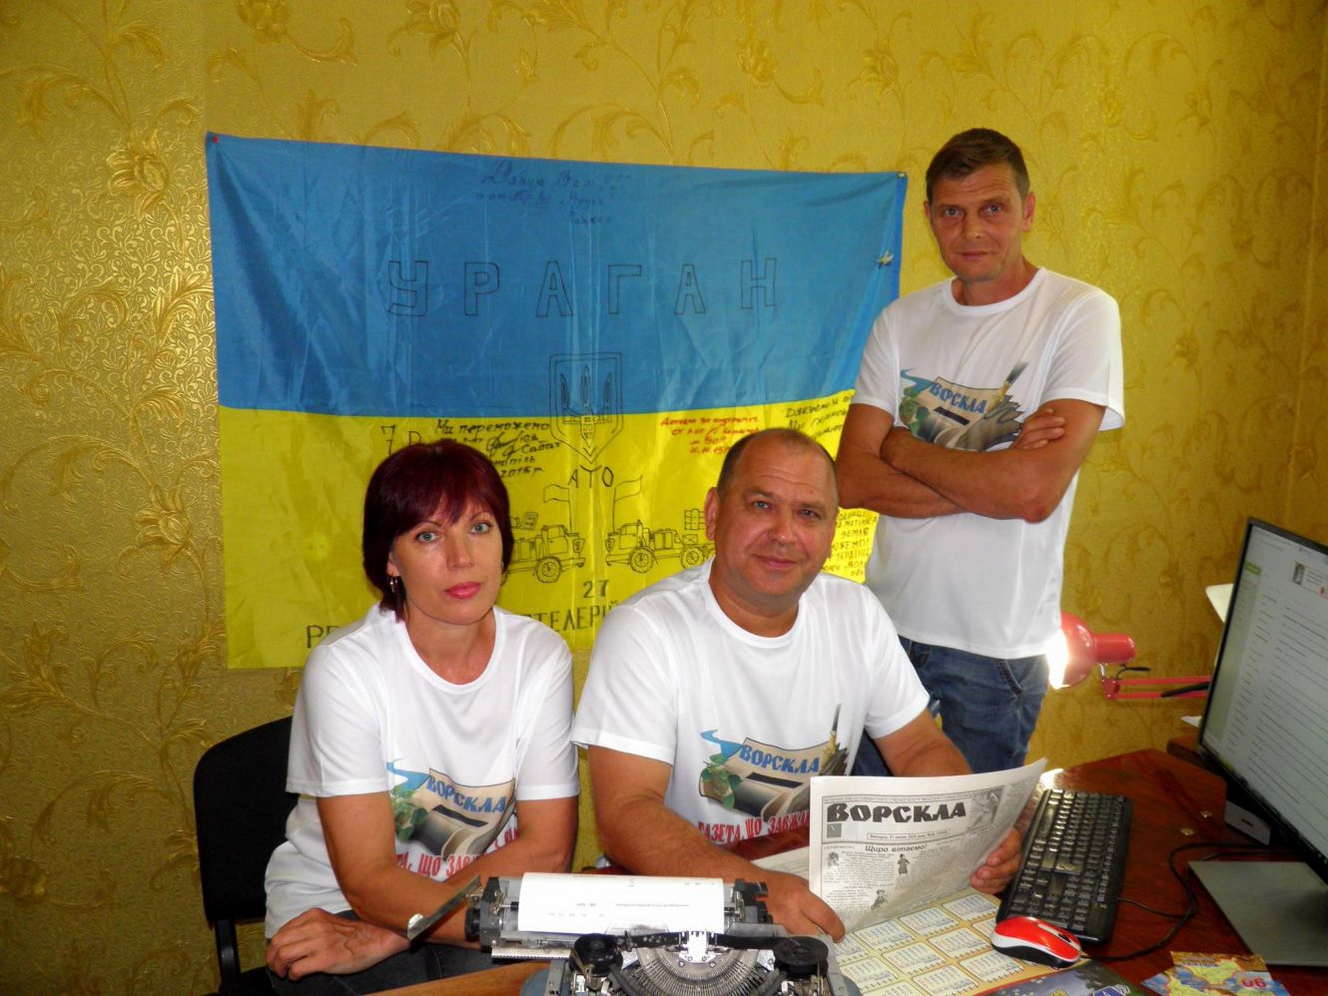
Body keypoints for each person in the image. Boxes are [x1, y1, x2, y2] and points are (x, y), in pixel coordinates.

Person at [572, 428, 1020, 941]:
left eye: (809, 514)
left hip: (816, 888)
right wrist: (753, 891)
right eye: (762, 505)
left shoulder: (856, 612)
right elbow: (626, 813)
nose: (784, 533)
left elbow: (918, 746)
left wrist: (969, 830)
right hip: (684, 899)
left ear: (831, 533)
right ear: (714, 514)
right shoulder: (645, 630)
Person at [837, 128, 1125, 774]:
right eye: (952, 212)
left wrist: (901, 446)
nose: (971, 230)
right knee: (860, 823)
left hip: (997, 649)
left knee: (973, 832)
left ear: (1027, 210)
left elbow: (1032, 494)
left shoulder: (1079, 314)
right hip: (887, 627)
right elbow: (851, 480)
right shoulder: (901, 322)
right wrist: (994, 474)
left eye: (992, 208)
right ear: (929, 218)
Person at [263, 440, 579, 993]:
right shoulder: (345, 667)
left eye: (479, 527)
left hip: (471, 900)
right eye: (428, 536)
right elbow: (369, 880)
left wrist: (394, 934)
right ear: (390, 559)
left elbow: (547, 849)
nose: (462, 558)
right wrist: (389, 928)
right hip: (336, 913)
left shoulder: (540, 655)